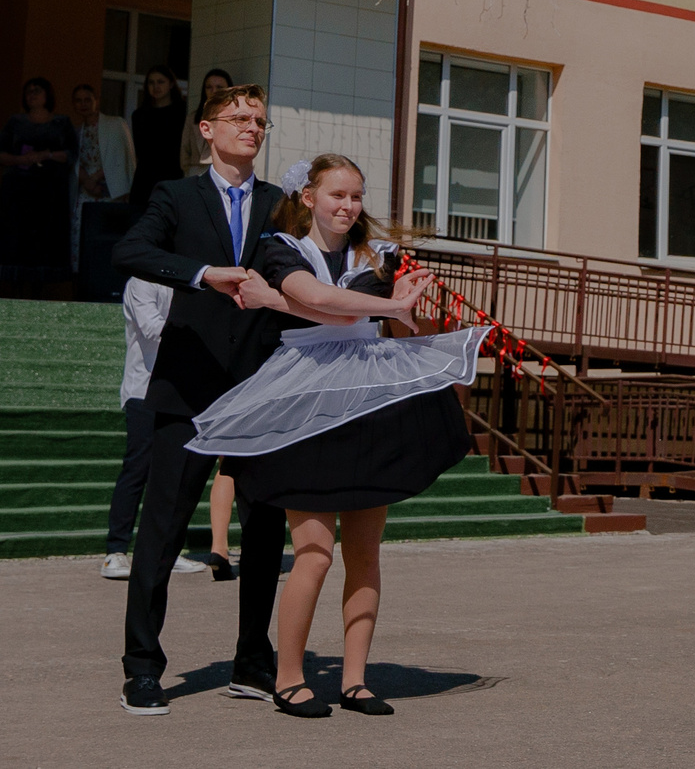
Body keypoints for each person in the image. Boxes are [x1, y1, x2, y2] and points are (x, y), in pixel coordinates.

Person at [197, 155, 469, 717]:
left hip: (369, 402)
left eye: (356, 196)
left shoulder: (379, 257)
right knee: (314, 553)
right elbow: (322, 303)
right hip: (307, 398)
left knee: (364, 552)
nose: (348, 206)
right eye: (337, 195)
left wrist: (293, 303)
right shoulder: (279, 248)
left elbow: (342, 313)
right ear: (308, 197)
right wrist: (385, 303)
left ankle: (355, 680)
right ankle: (290, 678)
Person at [109, 81, 290, 717]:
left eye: (260, 120)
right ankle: (141, 667)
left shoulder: (280, 204)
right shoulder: (176, 196)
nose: (252, 127)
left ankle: (252, 660)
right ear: (206, 129)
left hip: (261, 386)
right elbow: (129, 249)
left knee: (265, 531)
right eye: (238, 117)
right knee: (161, 529)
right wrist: (202, 274)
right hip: (187, 385)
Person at [101, 275, 207, 582]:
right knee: (138, 467)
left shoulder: (190, 281)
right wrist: (203, 329)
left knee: (174, 473)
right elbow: (151, 328)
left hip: (180, 391)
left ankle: (165, 550)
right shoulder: (141, 281)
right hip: (143, 389)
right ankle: (115, 551)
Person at [2, 75, 78, 280]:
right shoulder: (15, 122)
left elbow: (72, 153)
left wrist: (46, 155)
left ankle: (44, 289)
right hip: (19, 191)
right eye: (28, 91)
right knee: (18, 239)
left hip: (51, 192)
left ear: (48, 95)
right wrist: (21, 159)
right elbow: (2, 153)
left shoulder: (62, 122)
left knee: (47, 239)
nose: (32, 95)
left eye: (37, 91)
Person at [70, 83, 138, 213]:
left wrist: (94, 179)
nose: (83, 104)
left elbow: (120, 157)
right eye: (78, 101)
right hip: (85, 191)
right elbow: (74, 161)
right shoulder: (76, 132)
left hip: (111, 189)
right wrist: (87, 182)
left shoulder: (115, 124)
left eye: (88, 100)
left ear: (96, 100)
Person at [126, 68, 186, 201]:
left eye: (160, 82)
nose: (156, 87)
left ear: (171, 84)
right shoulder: (139, 115)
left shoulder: (182, 111)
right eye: (151, 83)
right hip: (145, 178)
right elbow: (139, 150)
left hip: (173, 175)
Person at [176, 68, 233, 179]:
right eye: (209, 87)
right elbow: (185, 148)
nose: (213, 91)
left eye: (219, 87)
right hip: (195, 170)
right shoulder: (193, 117)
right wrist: (188, 170)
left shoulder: (235, 116)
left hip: (224, 170)